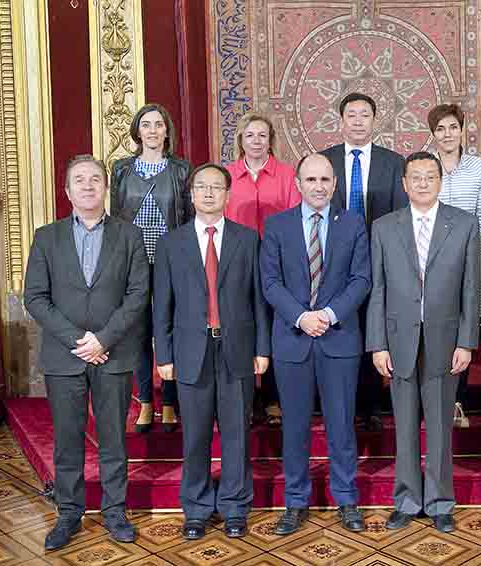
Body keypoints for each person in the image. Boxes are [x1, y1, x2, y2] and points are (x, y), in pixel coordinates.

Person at [25, 154, 150, 550]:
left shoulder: (128, 235)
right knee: (67, 439)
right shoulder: (47, 237)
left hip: (113, 353)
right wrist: (80, 340)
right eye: (79, 180)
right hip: (66, 356)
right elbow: (35, 297)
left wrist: (104, 339)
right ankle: (68, 513)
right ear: (67, 190)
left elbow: (137, 294)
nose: (88, 186)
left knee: (114, 437)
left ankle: (115, 512)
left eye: (95, 179)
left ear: (105, 188)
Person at [154, 163, 271, 540]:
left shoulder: (247, 239)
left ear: (227, 194)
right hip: (191, 352)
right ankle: (197, 508)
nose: (208, 193)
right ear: (191, 194)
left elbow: (258, 300)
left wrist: (262, 349)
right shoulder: (172, 243)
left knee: (236, 434)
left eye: (216, 187)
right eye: (201, 187)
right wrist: (164, 356)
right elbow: (163, 307)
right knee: (196, 436)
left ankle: (235, 508)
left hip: (237, 349)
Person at [367, 151, 480, 533]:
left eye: (430, 176)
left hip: (445, 342)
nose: (422, 183)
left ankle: (440, 501)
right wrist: (378, 344)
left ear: (440, 181)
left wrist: (466, 341)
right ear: (404, 183)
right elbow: (378, 290)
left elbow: (469, 288)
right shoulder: (384, 227)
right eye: (415, 177)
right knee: (404, 425)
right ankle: (407, 499)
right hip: (398, 340)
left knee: (439, 426)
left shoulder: (463, 225)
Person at [260, 153, 372, 535]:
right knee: (294, 426)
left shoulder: (353, 224)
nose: (319, 186)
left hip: (338, 338)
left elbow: (361, 280)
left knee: (342, 424)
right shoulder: (276, 226)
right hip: (292, 339)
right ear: (298, 184)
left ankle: (346, 497)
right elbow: (270, 283)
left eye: (325, 180)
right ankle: (295, 501)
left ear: (335, 184)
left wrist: (326, 314)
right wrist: (302, 317)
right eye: (311, 180)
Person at [322, 92, 407, 431]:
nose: (358, 121)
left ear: (375, 121)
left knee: (375, 328)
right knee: (343, 329)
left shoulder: (393, 162)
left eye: (364, 115)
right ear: (341, 121)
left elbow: (401, 216)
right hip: (335, 263)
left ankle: (371, 406)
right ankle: (340, 404)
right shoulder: (324, 161)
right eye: (351, 115)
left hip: (380, 259)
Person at [110, 103, 193, 434]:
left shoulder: (181, 170)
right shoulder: (120, 170)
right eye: (147, 125)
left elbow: (188, 220)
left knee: (170, 332)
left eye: (159, 124)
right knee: (139, 335)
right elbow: (115, 222)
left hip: (171, 264)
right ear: (137, 131)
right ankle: (146, 403)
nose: (153, 130)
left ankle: (170, 404)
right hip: (134, 265)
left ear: (166, 131)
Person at [225, 113, 301, 426]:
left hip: (277, 262)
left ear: (271, 140)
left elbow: (296, 217)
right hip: (236, 261)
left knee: (272, 326)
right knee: (241, 323)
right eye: (250, 135)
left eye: (262, 135)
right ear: (240, 140)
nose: (256, 141)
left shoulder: (286, 174)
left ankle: (272, 398)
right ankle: (244, 396)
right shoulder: (227, 175)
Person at [427, 103, 481, 428]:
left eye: (453, 127)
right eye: (440, 129)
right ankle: (432, 400)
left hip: (469, 260)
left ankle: (457, 402)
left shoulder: (480, 168)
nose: (447, 134)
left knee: (462, 329)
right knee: (432, 328)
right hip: (428, 264)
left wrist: (461, 247)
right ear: (433, 134)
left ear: (462, 129)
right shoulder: (426, 167)